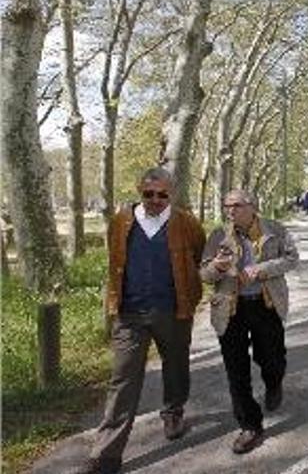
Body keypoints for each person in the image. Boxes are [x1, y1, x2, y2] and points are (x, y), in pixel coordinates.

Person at [75, 168, 205, 474]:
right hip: (129, 314)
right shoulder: (121, 221)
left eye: (163, 194)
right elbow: (115, 261)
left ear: (171, 194)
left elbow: (198, 257)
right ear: (139, 191)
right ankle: (106, 455)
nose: (156, 200)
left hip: (174, 312)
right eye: (149, 194)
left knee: (176, 365)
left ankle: (173, 410)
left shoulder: (186, 223)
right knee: (122, 380)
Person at [200, 189, 299, 454]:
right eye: (226, 206)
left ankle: (273, 383)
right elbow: (205, 274)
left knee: (272, 359)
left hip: (266, 306)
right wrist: (217, 267)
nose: (230, 210)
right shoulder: (218, 235)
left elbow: (292, 259)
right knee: (236, 369)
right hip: (230, 310)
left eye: (237, 205)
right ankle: (250, 425)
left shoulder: (275, 229)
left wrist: (261, 269)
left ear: (253, 206)